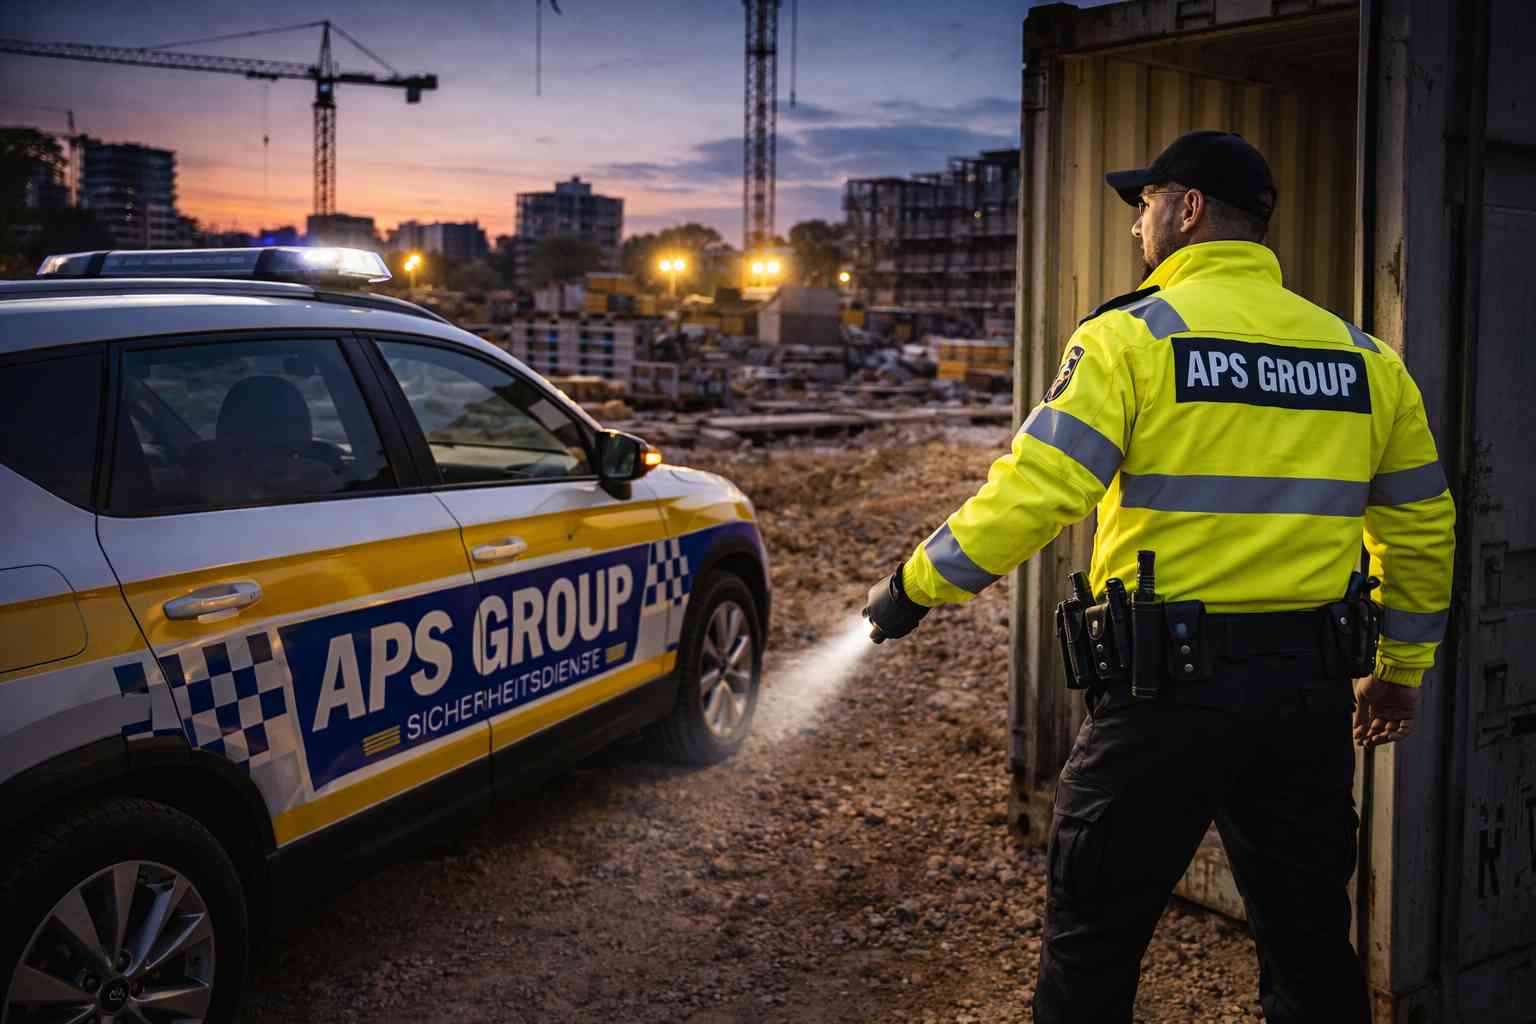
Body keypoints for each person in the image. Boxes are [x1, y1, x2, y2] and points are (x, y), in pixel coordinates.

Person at [862, 130, 1456, 1023]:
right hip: (1306, 695)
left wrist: (916, 584)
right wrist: (1400, 673)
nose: (1139, 226)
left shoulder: (1132, 337)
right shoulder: (1363, 358)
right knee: (1307, 941)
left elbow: (1038, 489)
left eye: (1144, 205)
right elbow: (1419, 526)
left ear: (1184, 210)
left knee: (1095, 939)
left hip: (1165, 695)